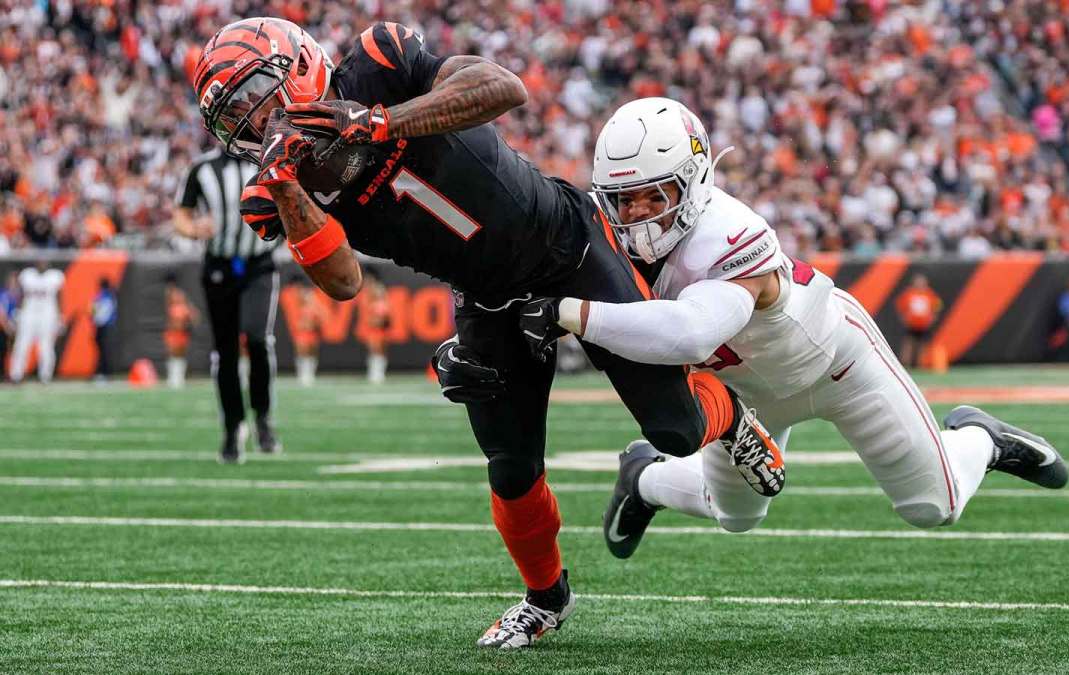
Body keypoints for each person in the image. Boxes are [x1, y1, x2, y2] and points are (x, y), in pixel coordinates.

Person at [193, 17, 780, 648]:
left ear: (299, 66)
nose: (259, 125)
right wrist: (285, 186)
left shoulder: (377, 62)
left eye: (259, 99)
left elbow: (502, 88)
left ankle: (733, 421)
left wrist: (377, 122)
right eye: (239, 121)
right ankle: (546, 598)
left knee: (679, 430)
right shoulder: (271, 193)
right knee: (509, 465)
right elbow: (343, 282)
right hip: (488, 299)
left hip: (566, 247)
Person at [518, 98, 1069, 559]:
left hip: (838, 364)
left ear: (693, 182)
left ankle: (980, 439)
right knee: (734, 515)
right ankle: (643, 477)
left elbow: (691, 333)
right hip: (747, 398)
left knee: (934, 505)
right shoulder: (611, 238)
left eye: (654, 197)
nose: (638, 215)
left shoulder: (728, 231)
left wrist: (570, 313)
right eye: (624, 200)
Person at [175, 145, 281, 463]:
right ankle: (233, 427)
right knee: (226, 351)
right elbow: (181, 213)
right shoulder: (202, 167)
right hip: (219, 265)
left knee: (259, 338)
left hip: (258, 263)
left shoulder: (266, 158)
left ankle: (262, 417)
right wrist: (194, 229)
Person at [9, 260, 64, 384]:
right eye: (40, 262)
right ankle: (16, 375)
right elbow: (21, 295)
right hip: (28, 314)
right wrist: (17, 312)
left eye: (44, 262)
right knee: (21, 345)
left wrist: (60, 317)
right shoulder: (27, 275)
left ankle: (45, 376)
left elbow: (60, 296)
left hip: (47, 315)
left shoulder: (55, 276)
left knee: (46, 346)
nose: (42, 264)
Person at [894, 273, 942, 368]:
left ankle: (920, 364)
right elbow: (900, 306)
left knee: (922, 345)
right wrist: (904, 318)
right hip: (912, 324)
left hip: (924, 324)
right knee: (909, 344)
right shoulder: (909, 293)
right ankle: (905, 364)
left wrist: (933, 317)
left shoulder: (929, 293)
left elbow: (937, 305)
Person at [163, 275, 200, 389]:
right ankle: (172, 378)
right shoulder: (171, 303)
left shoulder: (183, 305)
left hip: (181, 332)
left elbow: (194, 316)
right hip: (173, 332)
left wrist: (189, 322)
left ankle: (179, 378)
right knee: (171, 354)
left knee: (180, 354)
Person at [290, 280, 325, 388]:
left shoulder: (316, 306)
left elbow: (321, 320)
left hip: (313, 334)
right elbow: (296, 321)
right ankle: (301, 373)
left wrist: (313, 324)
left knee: (312, 352)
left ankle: (310, 373)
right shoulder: (297, 305)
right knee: (301, 350)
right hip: (301, 333)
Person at [361, 269, 390, 385]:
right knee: (373, 349)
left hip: (378, 326)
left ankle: (379, 373)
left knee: (378, 349)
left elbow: (384, 311)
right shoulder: (368, 292)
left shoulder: (379, 291)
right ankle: (374, 372)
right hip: (371, 323)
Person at [91, 278, 118, 381]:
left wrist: (94, 319)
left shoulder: (102, 296)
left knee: (103, 351)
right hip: (110, 327)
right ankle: (107, 373)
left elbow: (95, 311)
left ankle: (103, 373)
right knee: (106, 351)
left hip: (103, 327)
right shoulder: (112, 295)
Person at [0, 272, 18, 381]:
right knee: (2, 351)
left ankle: (7, 373)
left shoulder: (17, 296)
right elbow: (2, 312)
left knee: (9, 352)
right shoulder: (4, 295)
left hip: (11, 328)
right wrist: (7, 327)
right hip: (3, 328)